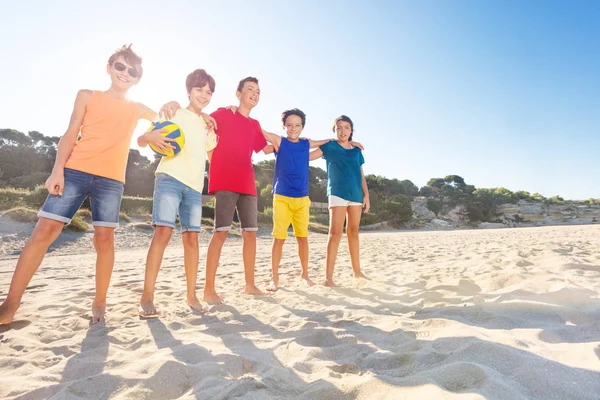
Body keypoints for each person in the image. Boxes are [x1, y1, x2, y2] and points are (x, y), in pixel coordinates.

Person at [0, 45, 160, 325]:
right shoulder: (87, 96)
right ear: (109, 67)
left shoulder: (137, 108)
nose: (125, 73)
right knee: (43, 233)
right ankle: (10, 304)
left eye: (132, 71)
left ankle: (99, 301)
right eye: (120, 66)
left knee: (104, 240)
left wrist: (160, 123)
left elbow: (165, 118)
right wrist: (56, 171)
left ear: (137, 79)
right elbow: (71, 131)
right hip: (75, 171)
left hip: (111, 181)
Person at [160, 77, 270, 304]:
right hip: (225, 181)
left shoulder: (255, 125)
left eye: (258, 91)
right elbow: (197, 114)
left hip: (248, 183)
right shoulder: (223, 113)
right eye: (249, 89)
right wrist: (175, 103)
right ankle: (208, 289)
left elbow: (266, 147)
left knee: (250, 233)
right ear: (238, 94)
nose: (254, 94)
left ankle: (250, 284)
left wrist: (292, 141)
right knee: (221, 232)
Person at [137, 69, 217, 317]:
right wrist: (147, 136)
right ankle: (147, 297)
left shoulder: (207, 125)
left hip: (194, 186)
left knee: (192, 239)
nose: (204, 95)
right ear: (189, 90)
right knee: (162, 233)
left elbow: (211, 156)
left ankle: (191, 295)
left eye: (208, 92)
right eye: (199, 90)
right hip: (169, 178)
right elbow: (143, 140)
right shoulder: (172, 113)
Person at [257, 109, 364, 292]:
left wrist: (345, 142)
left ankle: (305, 276)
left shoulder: (307, 144)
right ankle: (274, 278)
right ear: (284, 126)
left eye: (297, 125)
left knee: (303, 238)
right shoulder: (280, 141)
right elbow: (261, 132)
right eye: (289, 125)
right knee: (279, 238)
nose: (293, 128)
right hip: (282, 196)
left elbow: (325, 142)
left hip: (302, 197)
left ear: (303, 127)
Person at [310, 115, 370, 287]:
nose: (343, 131)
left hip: (356, 195)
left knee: (353, 232)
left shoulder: (357, 151)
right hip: (337, 193)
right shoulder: (329, 146)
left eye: (346, 128)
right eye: (339, 128)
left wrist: (366, 195)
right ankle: (328, 278)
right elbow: (307, 156)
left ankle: (357, 272)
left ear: (351, 130)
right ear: (334, 130)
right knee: (335, 233)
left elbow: (361, 174)